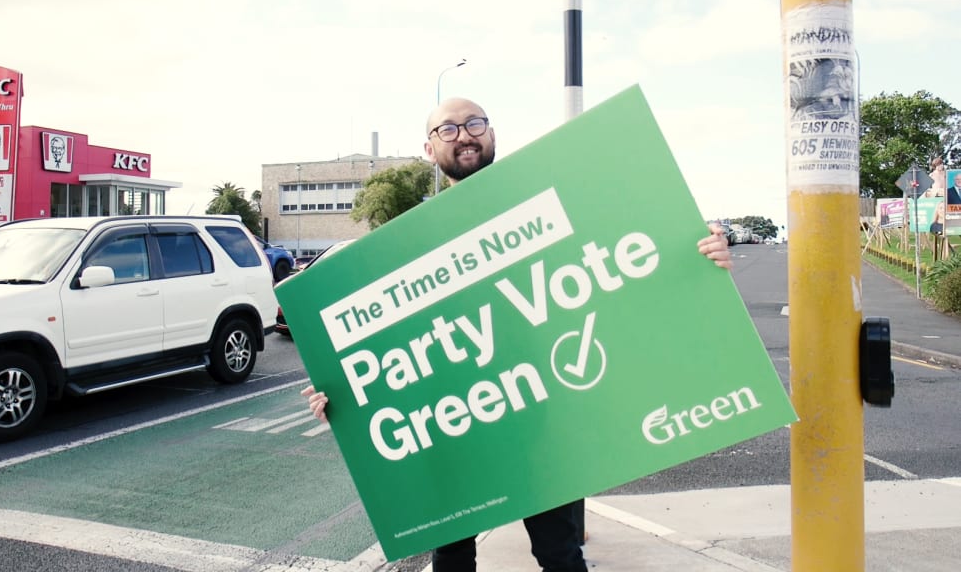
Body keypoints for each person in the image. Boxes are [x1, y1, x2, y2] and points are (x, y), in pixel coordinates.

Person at [302, 97, 733, 572]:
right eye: (448, 129)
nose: (464, 135)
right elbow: (378, 345)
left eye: (474, 124)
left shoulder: (542, 198)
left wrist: (697, 251)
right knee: (452, 553)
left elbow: (620, 256)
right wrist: (341, 400)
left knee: (560, 554)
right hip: (453, 428)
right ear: (429, 149)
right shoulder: (406, 242)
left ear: (492, 133)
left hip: (544, 419)